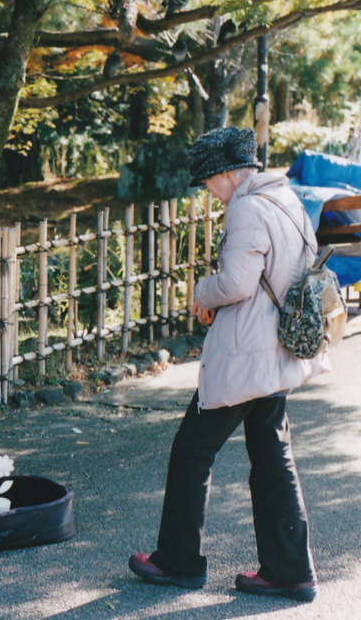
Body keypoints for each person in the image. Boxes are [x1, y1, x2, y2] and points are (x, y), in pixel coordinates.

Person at [128, 127, 318, 603]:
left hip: (245, 355)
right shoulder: (287, 200)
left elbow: (235, 282)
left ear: (229, 173)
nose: (208, 191)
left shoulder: (247, 207)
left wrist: (200, 294)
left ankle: (178, 562)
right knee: (274, 460)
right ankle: (290, 570)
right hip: (277, 350)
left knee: (191, 451)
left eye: (209, 180)